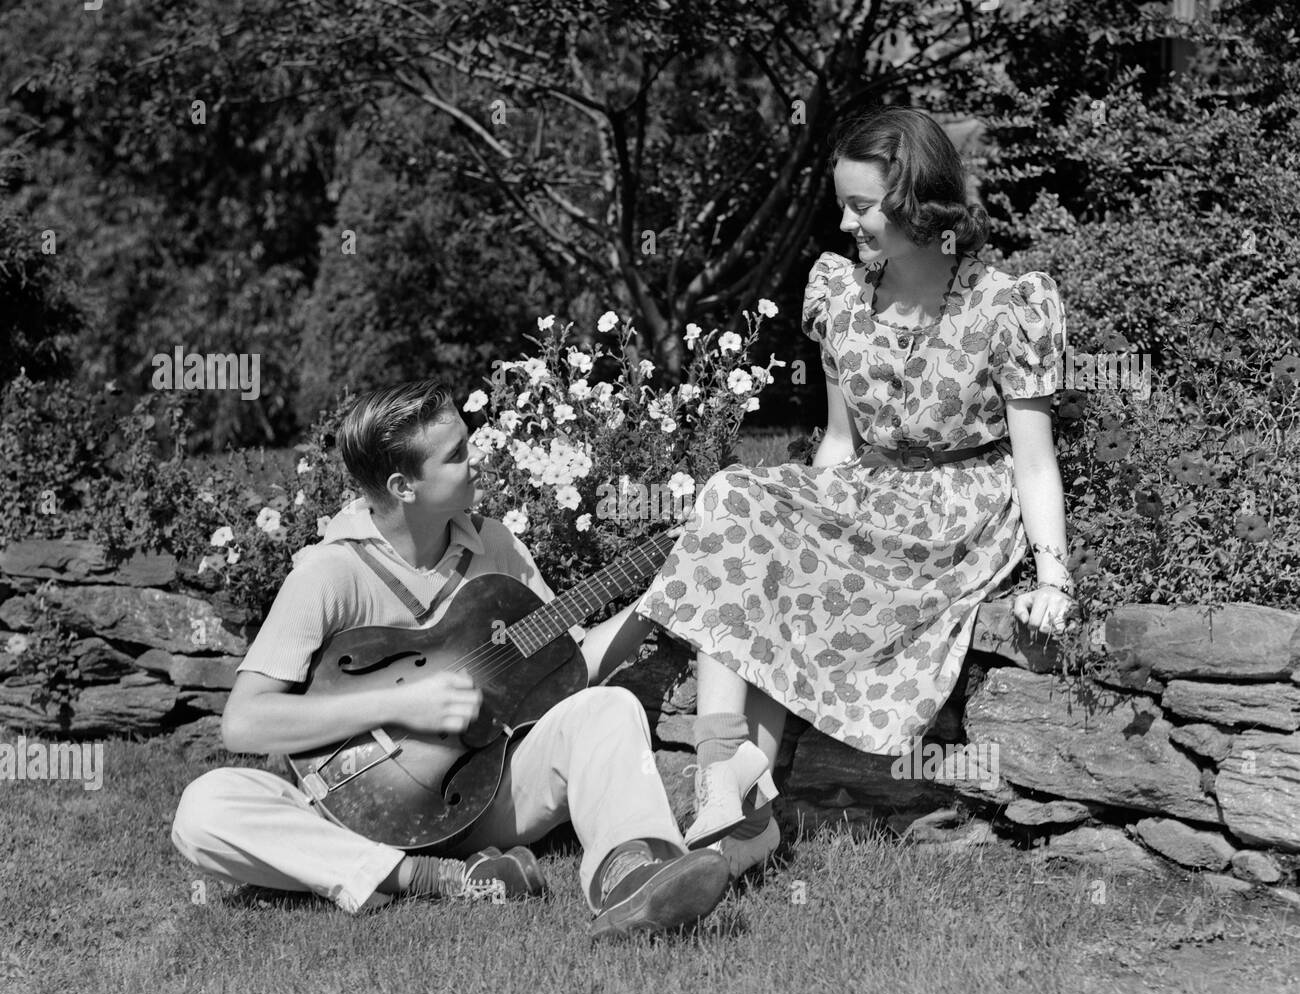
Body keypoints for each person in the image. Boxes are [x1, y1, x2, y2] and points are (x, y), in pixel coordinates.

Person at [638, 105, 1077, 877]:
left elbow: (1033, 461)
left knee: (753, 515)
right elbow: (840, 444)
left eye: (862, 206)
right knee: (746, 512)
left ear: (916, 200)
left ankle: (733, 792)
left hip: (957, 514)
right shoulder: (840, 293)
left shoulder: (1008, 303)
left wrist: (1054, 577)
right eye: (843, 203)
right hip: (871, 494)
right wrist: (803, 528)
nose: (846, 223)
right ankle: (727, 784)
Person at [171, 380, 731, 939]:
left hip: (482, 797)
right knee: (204, 809)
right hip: (341, 814)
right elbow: (245, 721)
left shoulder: (497, 547)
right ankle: (431, 877)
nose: (476, 458)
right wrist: (403, 703)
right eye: (457, 454)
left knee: (608, 707)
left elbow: (573, 666)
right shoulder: (326, 574)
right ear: (403, 486)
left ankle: (632, 874)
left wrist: (659, 602)